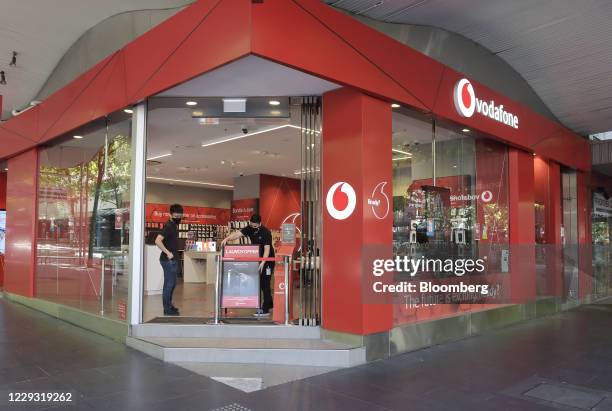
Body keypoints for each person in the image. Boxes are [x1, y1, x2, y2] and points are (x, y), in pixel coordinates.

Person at [221, 214, 275, 317]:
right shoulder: (249, 228)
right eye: (251, 225)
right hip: (257, 258)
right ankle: (270, 302)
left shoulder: (266, 232)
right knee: (259, 282)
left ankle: (266, 308)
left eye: (255, 226)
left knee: (265, 282)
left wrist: (263, 262)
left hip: (267, 260)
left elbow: (267, 249)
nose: (253, 227)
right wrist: (227, 239)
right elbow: (238, 234)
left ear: (260, 223)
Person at [155, 204, 183, 316]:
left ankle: (169, 305)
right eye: (176, 216)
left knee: (172, 284)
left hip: (172, 260)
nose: (178, 218)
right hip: (168, 261)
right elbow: (157, 240)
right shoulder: (168, 226)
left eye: (180, 216)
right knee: (169, 284)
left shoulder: (173, 225)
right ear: (170, 215)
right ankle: (167, 309)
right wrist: (168, 253)